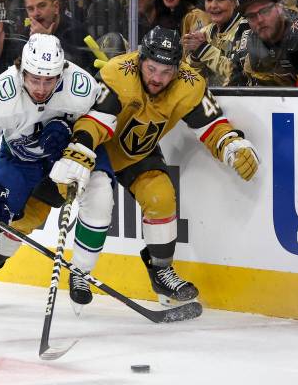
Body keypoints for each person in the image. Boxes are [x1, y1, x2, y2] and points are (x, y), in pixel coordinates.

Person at [50, 26, 260, 306]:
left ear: (178, 67)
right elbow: (95, 119)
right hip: (98, 149)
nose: (157, 78)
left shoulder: (190, 84)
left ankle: (161, 271)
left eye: (166, 71)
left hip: (139, 153)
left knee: (161, 196)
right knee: (73, 207)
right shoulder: (117, 72)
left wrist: (232, 145)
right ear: (140, 59)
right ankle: (75, 271)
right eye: (151, 69)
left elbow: (212, 125)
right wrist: (80, 150)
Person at [0, 33, 116, 313]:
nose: (42, 88)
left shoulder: (79, 84)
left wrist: (81, 143)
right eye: (34, 79)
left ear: (62, 71)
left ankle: (81, 274)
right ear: (21, 70)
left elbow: (110, 106)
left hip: (72, 152)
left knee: (101, 194)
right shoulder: (1, 92)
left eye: (49, 79)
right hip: (20, 159)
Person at [231, 0, 298, 86]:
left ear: (279, 7)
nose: (260, 20)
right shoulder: (248, 38)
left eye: (265, 11)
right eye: (251, 16)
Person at [182, 0, 251, 86]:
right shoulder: (204, 32)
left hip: (240, 98)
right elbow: (189, 77)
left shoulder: (246, 29)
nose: (213, 5)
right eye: (209, 0)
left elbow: (241, 74)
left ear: (234, 2)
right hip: (210, 98)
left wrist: (203, 49)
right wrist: (195, 57)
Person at [24, 0, 93, 72]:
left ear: (56, 7)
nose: (36, 13)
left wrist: (47, 40)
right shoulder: (28, 32)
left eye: (42, 6)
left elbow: (73, 69)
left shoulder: (75, 31)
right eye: (30, 9)